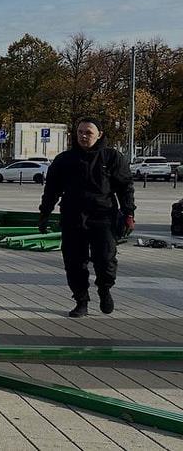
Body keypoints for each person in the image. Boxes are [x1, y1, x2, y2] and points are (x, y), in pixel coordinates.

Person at [38, 117, 135, 317]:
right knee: (74, 262)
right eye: (80, 132)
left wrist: (128, 213)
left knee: (105, 259)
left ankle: (104, 289)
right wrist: (44, 213)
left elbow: (125, 187)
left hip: (103, 216)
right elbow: (52, 189)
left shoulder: (111, 158)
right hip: (73, 216)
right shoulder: (64, 160)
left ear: (99, 135)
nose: (83, 136)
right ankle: (81, 300)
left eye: (88, 133)